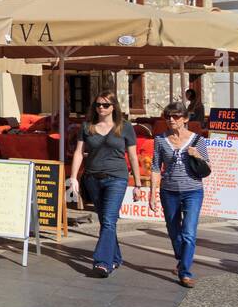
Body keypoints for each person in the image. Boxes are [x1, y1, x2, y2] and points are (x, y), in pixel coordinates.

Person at [69, 90, 144, 277]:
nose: (101, 108)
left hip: (117, 178)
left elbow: (133, 156)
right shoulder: (87, 127)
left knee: (109, 220)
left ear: (113, 107)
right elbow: (79, 152)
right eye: (98, 105)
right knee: (105, 220)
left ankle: (102, 263)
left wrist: (138, 184)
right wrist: (73, 178)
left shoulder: (124, 127)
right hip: (93, 178)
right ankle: (116, 257)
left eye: (105, 105)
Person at [150, 101, 210, 288]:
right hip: (169, 191)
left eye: (175, 116)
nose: (171, 120)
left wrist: (197, 155)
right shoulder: (160, 140)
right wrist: (152, 193)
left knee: (189, 233)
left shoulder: (198, 140)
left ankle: (185, 272)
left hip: (193, 190)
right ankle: (181, 258)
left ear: (185, 119)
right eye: (168, 116)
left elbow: (207, 167)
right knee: (174, 231)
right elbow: (155, 167)